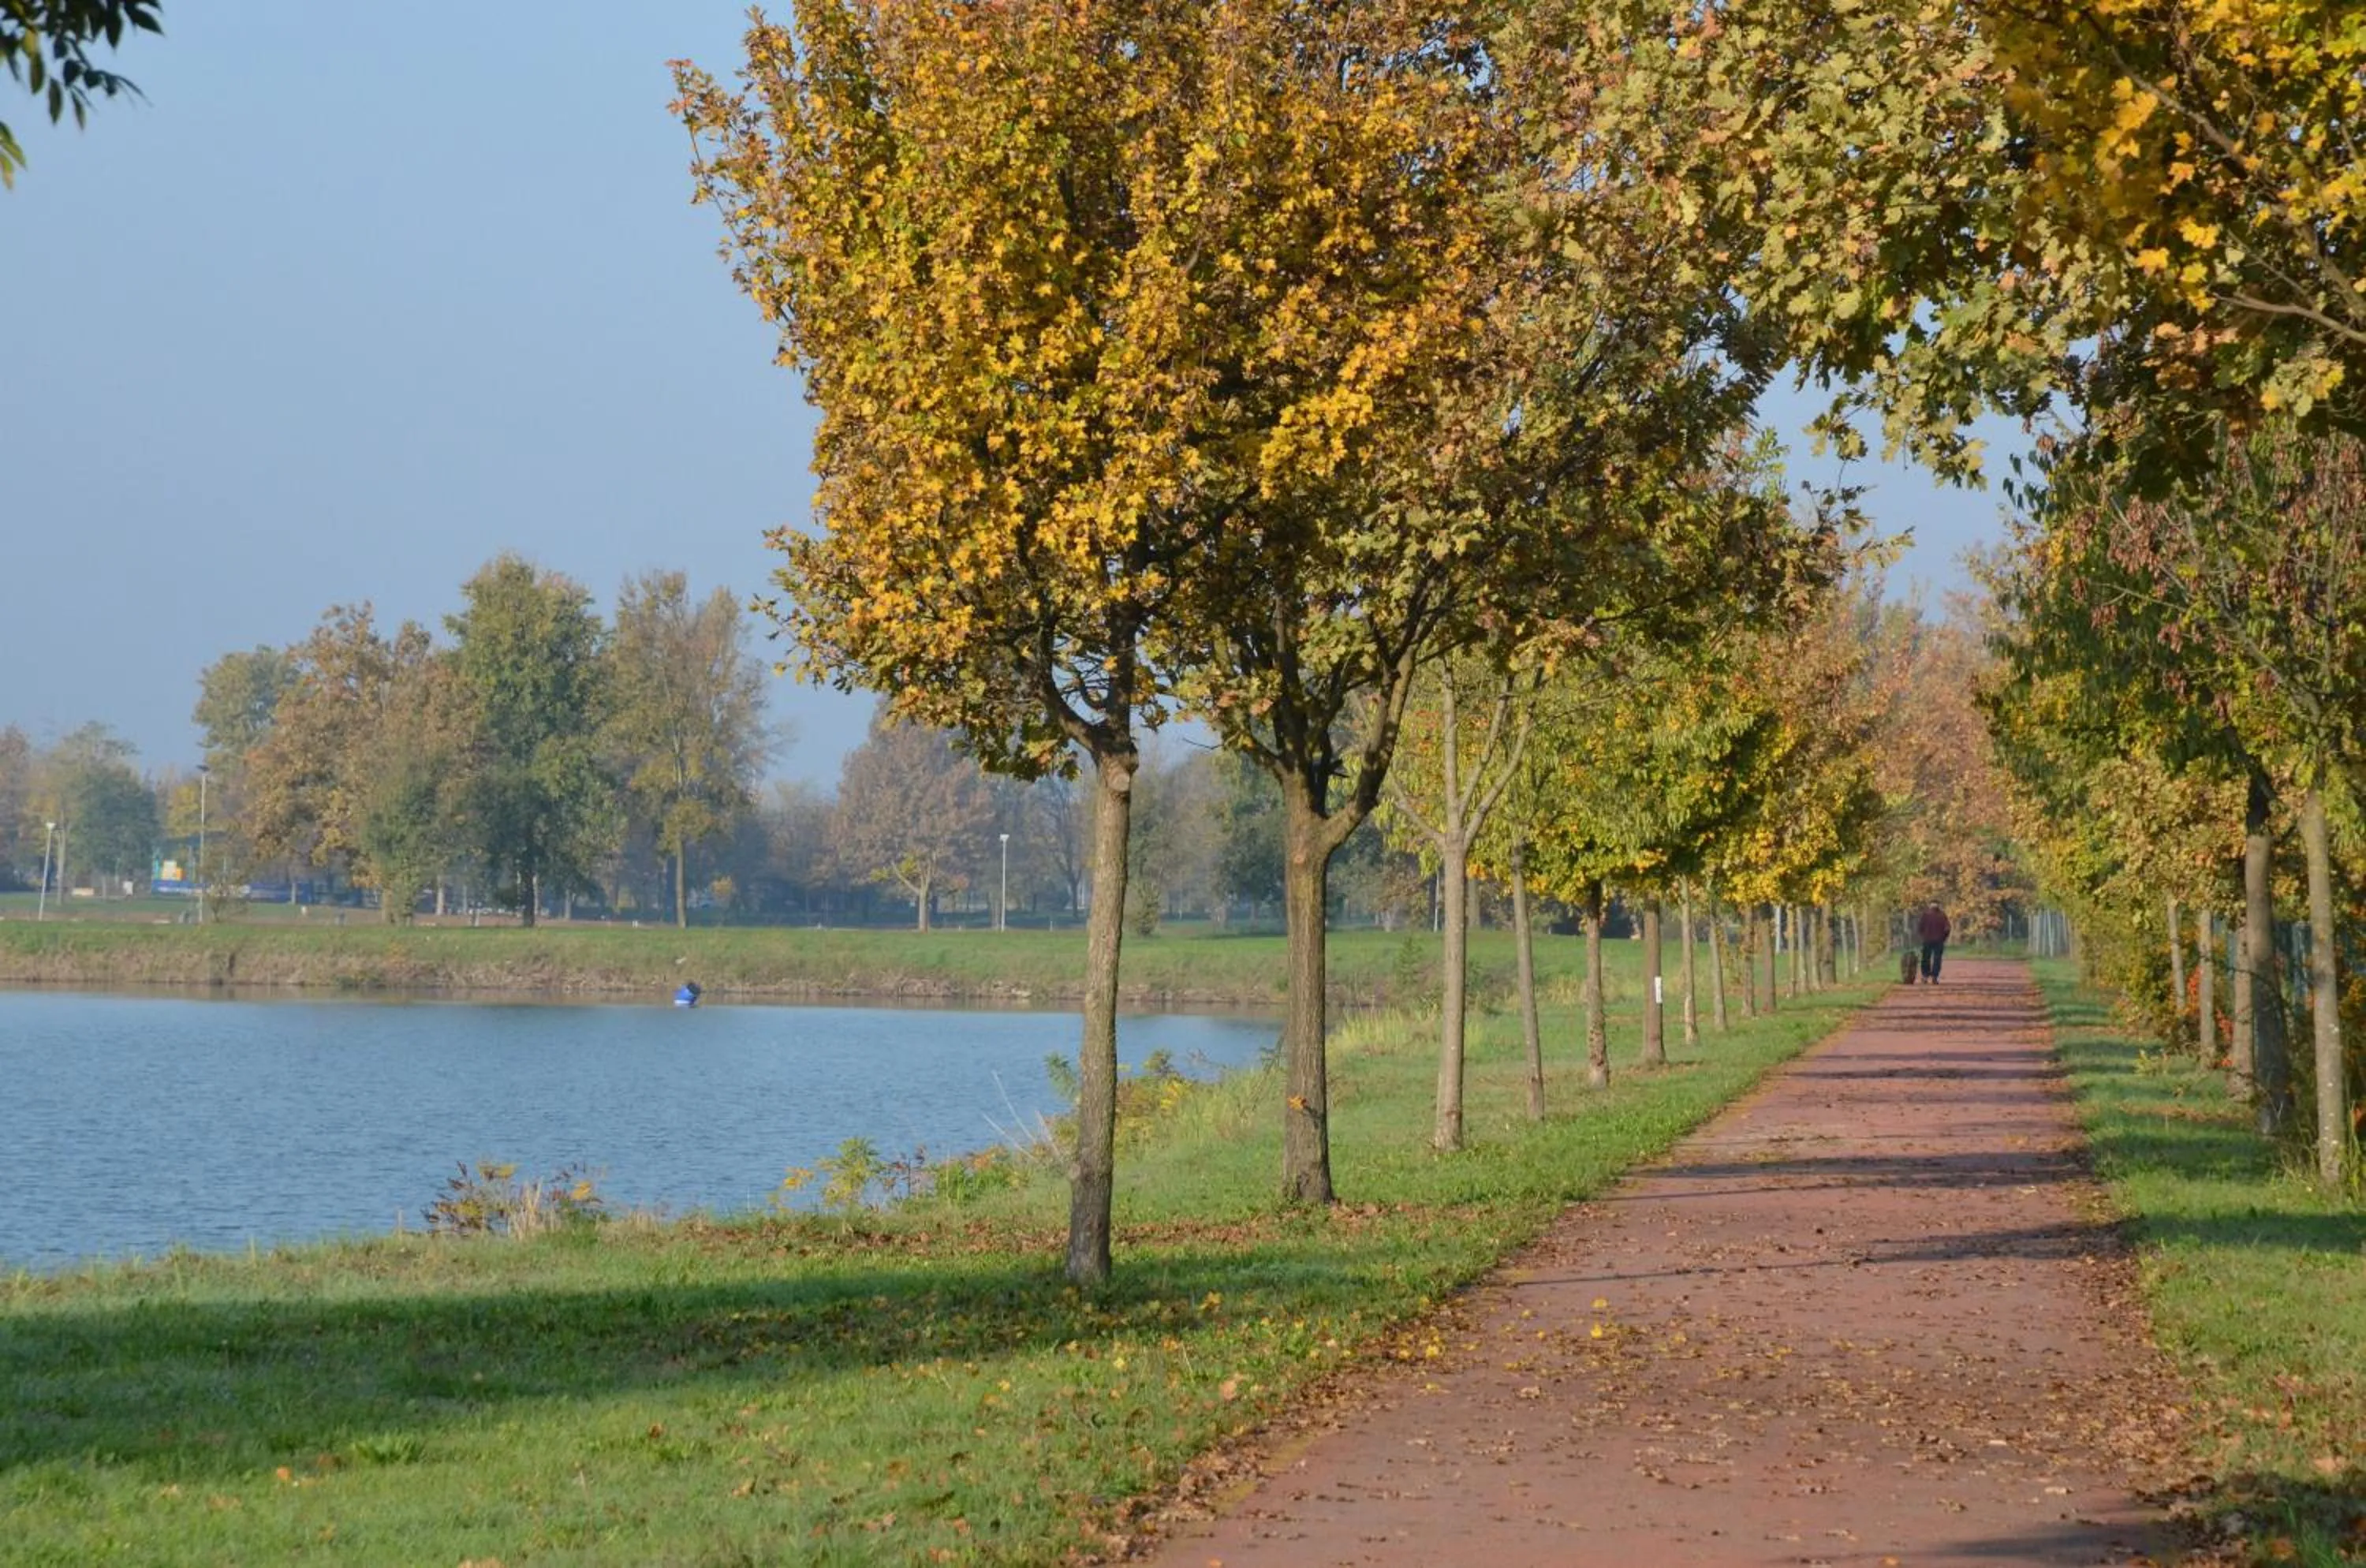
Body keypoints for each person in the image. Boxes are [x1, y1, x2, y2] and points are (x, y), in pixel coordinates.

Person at [1916, 903, 1952, 983]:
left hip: (1927, 940)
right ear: (1938, 907)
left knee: (1925, 958)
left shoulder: (1925, 915)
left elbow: (1920, 927)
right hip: (1939, 941)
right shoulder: (1942, 915)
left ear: (1930, 907)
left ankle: (1925, 976)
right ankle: (1935, 976)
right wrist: (1944, 938)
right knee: (1937, 959)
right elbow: (1947, 929)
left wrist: (1923, 936)